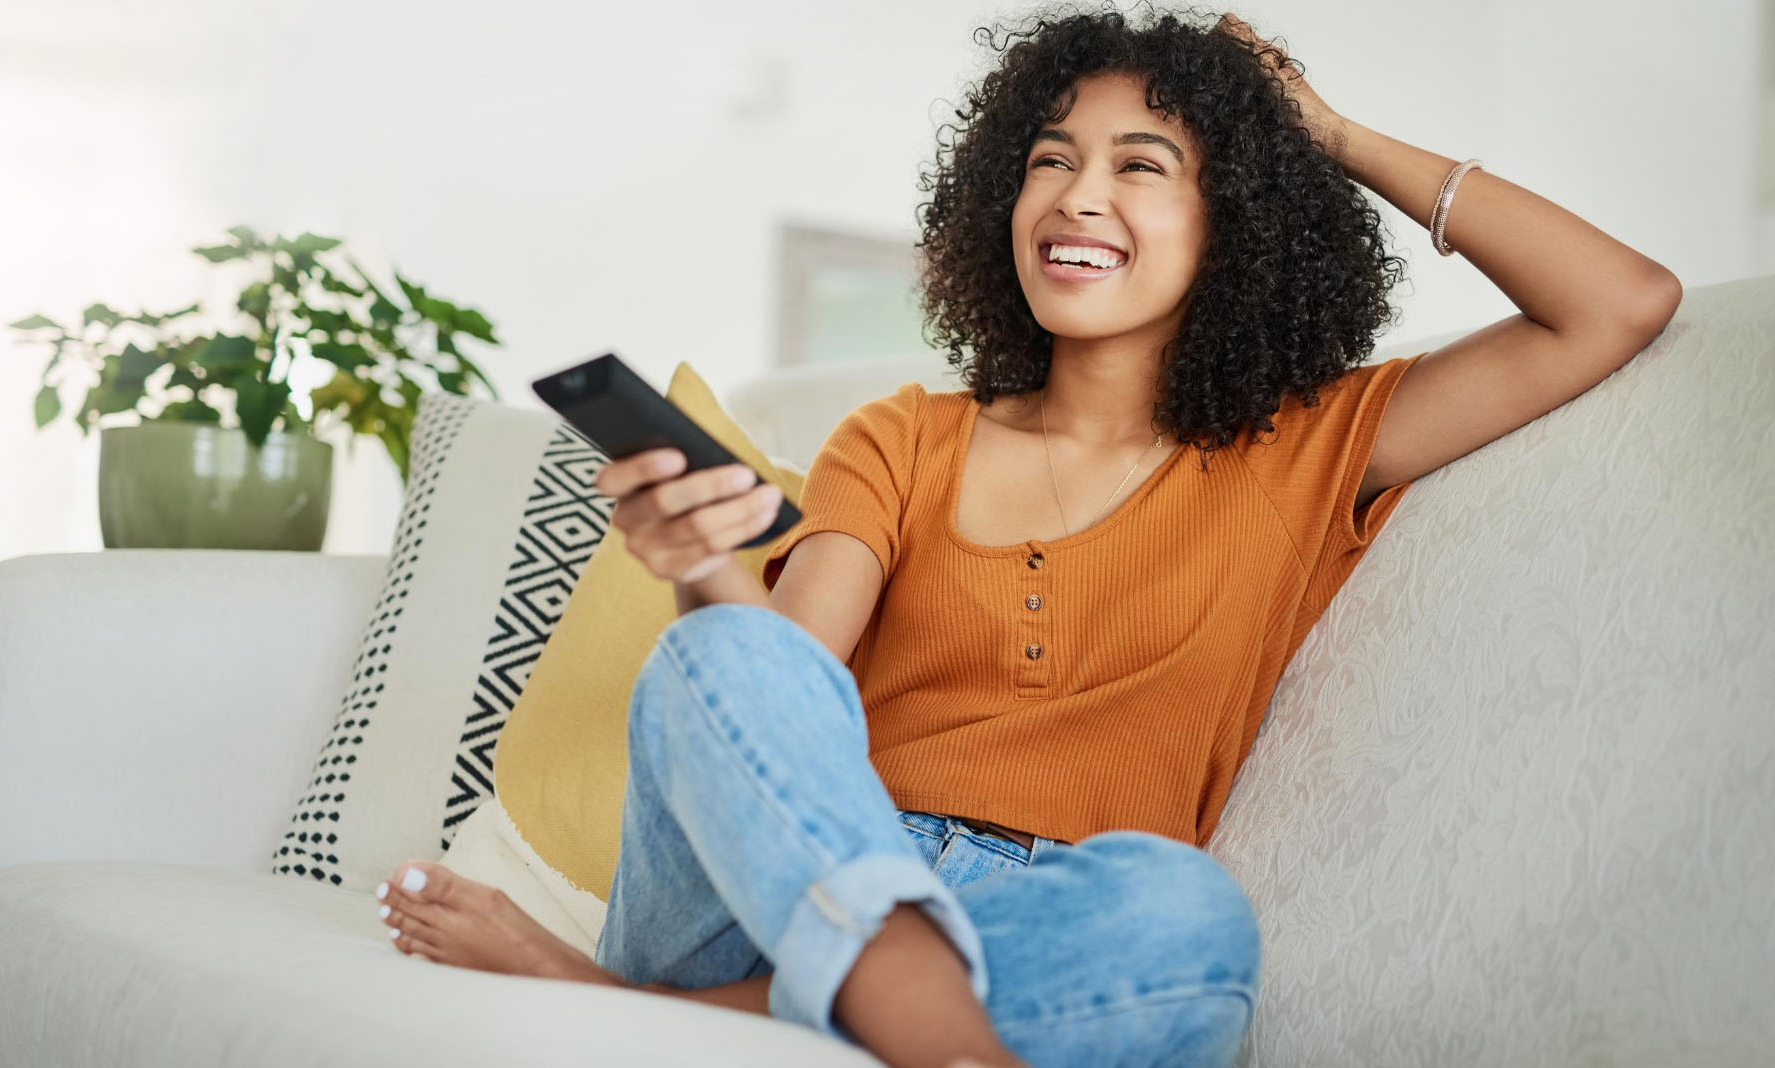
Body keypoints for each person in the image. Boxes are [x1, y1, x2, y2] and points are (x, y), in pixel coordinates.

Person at [371, 6, 1681, 1067]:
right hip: (779, 881)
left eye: (1141, 164)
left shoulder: (1310, 445)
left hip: (1056, 919)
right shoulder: (904, 436)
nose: (1077, 194)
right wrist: (701, 567)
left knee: (1190, 917)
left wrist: (1326, 132)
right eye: (1050, 158)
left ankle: (621, 1004)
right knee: (710, 654)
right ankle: (925, 1020)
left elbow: (1620, 303)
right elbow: (779, 687)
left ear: (1237, 226)